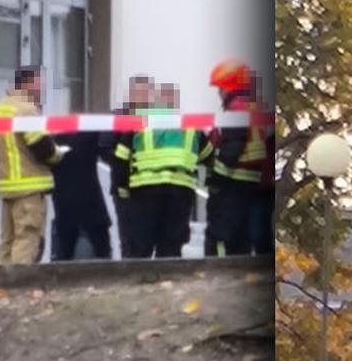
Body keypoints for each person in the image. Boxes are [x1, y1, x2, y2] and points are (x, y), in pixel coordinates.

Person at [112, 86, 212, 259]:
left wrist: (123, 190)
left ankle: (140, 283)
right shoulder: (189, 124)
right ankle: (168, 283)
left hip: (144, 191)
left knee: (140, 247)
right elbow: (208, 155)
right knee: (171, 247)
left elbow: (121, 156)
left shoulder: (141, 121)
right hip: (180, 191)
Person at [0, 66, 64, 264]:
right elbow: (42, 149)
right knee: (27, 241)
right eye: (40, 84)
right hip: (29, 189)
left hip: (8, 188)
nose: (42, 90)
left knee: (7, 243)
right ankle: (19, 287)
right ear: (28, 84)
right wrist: (58, 154)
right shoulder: (26, 110)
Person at [206, 60, 275, 257]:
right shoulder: (255, 106)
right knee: (240, 240)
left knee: (219, 236)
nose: (218, 93)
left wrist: (216, 180)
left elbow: (232, 146)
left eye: (220, 88)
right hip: (251, 182)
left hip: (233, 180)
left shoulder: (236, 109)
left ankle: (216, 279)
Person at [101, 75, 155, 255]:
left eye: (145, 94)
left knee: (148, 236)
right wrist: (124, 164)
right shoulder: (119, 116)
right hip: (124, 187)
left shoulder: (155, 117)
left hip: (149, 186)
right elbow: (105, 147)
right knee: (129, 238)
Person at [49, 130, 113, 260]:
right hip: (91, 204)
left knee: (63, 255)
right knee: (102, 254)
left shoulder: (51, 139)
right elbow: (107, 153)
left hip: (65, 206)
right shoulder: (90, 134)